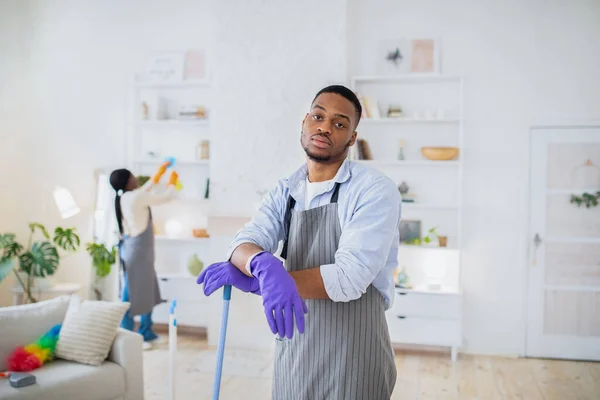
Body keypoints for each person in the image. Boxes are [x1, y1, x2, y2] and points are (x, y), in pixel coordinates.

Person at [197, 85, 402, 399]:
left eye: (339, 123)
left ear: (352, 138)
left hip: (355, 359)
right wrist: (261, 264)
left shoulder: (373, 190)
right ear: (305, 123)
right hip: (295, 355)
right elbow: (245, 241)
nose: (324, 127)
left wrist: (260, 283)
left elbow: (350, 277)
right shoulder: (286, 190)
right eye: (318, 116)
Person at [109, 162, 178, 350]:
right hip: (138, 252)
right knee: (130, 294)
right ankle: (129, 336)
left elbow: (144, 190)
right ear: (127, 181)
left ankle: (146, 331)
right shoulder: (136, 197)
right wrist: (172, 182)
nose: (136, 178)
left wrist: (158, 175)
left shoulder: (126, 196)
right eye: (133, 176)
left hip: (135, 250)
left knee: (147, 289)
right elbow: (165, 198)